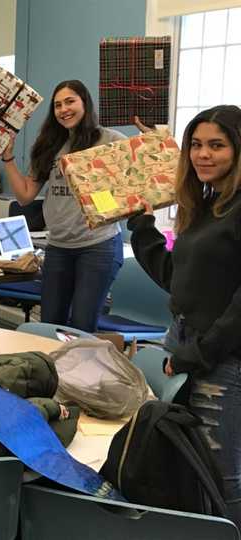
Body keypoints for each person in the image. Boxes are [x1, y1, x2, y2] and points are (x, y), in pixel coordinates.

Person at [128, 105, 241, 527]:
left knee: (222, 475)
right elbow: (178, 279)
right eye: (195, 145)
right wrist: (142, 229)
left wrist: (198, 354)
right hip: (184, 339)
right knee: (183, 458)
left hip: (222, 358)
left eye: (217, 145)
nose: (203, 155)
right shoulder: (207, 205)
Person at [0, 79, 125, 332]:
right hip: (58, 247)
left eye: (70, 101)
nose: (63, 109)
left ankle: (83, 372)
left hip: (97, 246)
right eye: (58, 105)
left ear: (85, 103)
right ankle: (54, 372)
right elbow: (25, 196)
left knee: (81, 325)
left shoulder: (108, 140)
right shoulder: (50, 145)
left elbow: (139, 176)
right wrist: (8, 157)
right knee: (49, 326)